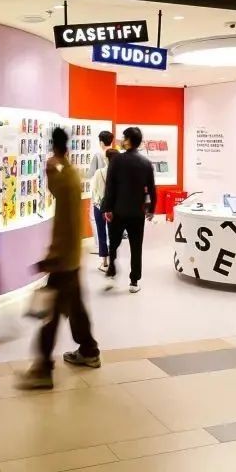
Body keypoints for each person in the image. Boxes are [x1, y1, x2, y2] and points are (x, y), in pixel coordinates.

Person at [17, 127, 100, 390]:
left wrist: (51, 258)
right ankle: (89, 349)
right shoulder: (72, 173)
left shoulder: (61, 176)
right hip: (73, 255)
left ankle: (42, 368)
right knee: (75, 306)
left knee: (50, 314)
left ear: (53, 146)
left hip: (63, 258)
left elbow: (60, 208)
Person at [102, 126, 157, 294]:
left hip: (118, 211)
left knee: (114, 242)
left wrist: (107, 208)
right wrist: (151, 209)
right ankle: (134, 281)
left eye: (124, 138)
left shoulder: (116, 160)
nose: (122, 141)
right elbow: (152, 189)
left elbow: (110, 187)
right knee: (136, 246)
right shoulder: (146, 163)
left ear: (128, 141)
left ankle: (112, 267)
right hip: (137, 213)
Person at [91, 148, 119, 272]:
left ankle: (104, 261)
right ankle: (112, 260)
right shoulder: (120, 174)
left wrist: (97, 201)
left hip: (100, 206)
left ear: (106, 159)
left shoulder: (99, 173)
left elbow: (94, 190)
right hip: (114, 208)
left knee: (101, 232)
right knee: (113, 234)